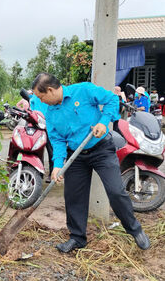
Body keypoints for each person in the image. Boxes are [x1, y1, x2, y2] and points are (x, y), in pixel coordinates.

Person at [32, 73, 150, 253]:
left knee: (115, 191)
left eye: (41, 97)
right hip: (76, 156)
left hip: (101, 149)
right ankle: (77, 238)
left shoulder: (84, 90)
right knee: (73, 197)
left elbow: (111, 100)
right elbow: (56, 140)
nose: (41, 101)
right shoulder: (50, 114)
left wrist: (104, 122)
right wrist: (57, 164)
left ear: (49, 90)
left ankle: (135, 229)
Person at [30, 93, 53, 183]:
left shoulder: (48, 95)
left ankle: (52, 173)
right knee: (37, 150)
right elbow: (31, 111)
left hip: (49, 126)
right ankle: (39, 173)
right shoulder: (34, 98)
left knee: (51, 150)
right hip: (37, 127)